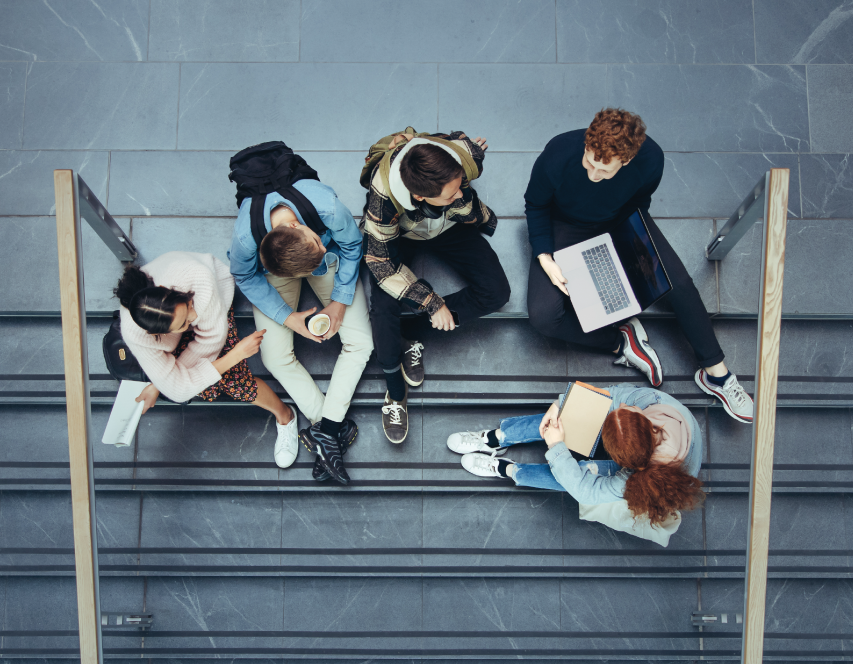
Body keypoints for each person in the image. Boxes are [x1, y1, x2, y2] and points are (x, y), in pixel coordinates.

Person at [525, 108, 754, 423]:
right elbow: (536, 204)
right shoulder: (559, 152)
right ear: (586, 144)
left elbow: (639, 201)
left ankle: (717, 374)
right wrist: (545, 257)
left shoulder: (650, 160)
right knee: (543, 316)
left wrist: (634, 245)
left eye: (604, 170)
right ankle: (621, 342)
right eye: (589, 161)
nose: (593, 174)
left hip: (620, 219)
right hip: (565, 225)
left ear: (627, 160)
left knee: (678, 283)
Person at [362, 129, 511, 443]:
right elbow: (381, 263)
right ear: (419, 196)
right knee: (383, 308)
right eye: (451, 192)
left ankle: (411, 335)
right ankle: (395, 392)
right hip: (401, 234)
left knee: (497, 292)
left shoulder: (453, 156)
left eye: (460, 186)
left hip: (449, 226)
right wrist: (431, 301)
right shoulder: (383, 196)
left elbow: (462, 144)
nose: (460, 194)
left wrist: (473, 154)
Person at [230, 179, 373, 485]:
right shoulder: (245, 239)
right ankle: (330, 431)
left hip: (332, 262)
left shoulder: (328, 211)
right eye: (317, 243)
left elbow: (350, 245)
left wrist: (339, 300)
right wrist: (288, 317)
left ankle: (327, 433)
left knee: (360, 343)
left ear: (297, 224)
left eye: (315, 241)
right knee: (275, 358)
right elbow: (243, 274)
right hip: (275, 274)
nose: (320, 245)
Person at [447, 384, 703, 545]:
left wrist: (556, 446)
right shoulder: (650, 402)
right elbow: (611, 396)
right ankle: (496, 438)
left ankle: (508, 470)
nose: (625, 405)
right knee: (565, 419)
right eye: (628, 409)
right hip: (641, 451)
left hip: (649, 478)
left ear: (624, 464)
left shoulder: (637, 479)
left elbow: (584, 490)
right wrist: (559, 406)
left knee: (576, 475)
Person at [114, 252, 296, 466]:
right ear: (155, 333)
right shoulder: (136, 334)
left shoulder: (197, 281)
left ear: (173, 293)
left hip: (213, 301)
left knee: (231, 381)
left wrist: (234, 355)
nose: (192, 319)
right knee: (205, 383)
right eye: (183, 324)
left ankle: (286, 416)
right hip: (182, 322)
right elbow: (177, 390)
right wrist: (165, 382)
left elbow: (211, 340)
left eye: (187, 309)